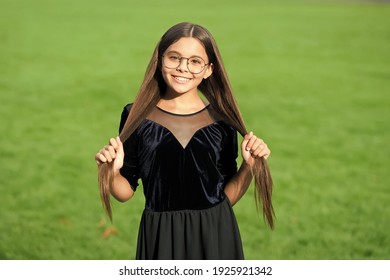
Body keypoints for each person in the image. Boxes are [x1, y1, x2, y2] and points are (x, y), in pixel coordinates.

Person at [95, 22, 274, 260]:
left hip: (216, 233)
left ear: (209, 69)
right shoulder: (136, 116)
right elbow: (124, 192)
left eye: (195, 61)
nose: (183, 68)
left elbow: (223, 198)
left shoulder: (222, 121)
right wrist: (109, 170)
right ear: (160, 60)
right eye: (174, 58)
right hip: (160, 235)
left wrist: (249, 167)